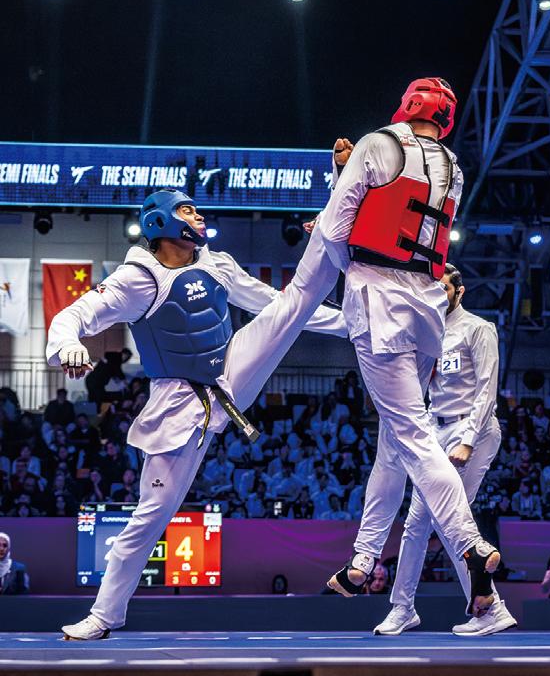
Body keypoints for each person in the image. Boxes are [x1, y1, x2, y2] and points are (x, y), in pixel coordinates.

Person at [46, 187, 346, 639]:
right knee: (151, 516)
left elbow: (271, 302)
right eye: (187, 210)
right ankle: (104, 616)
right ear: (161, 223)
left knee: (289, 306)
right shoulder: (138, 279)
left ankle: (333, 237)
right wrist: (67, 345)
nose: (199, 216)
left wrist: (349, 326)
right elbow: (72, 316)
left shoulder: (217, 263)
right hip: (177, 401)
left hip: (229, 372)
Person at [318, 78, 501, 619]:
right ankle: (363, 559)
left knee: (412, 439)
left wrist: (347, 255)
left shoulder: (378, 143)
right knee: (393, 443)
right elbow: (403, 215)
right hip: (424, 303)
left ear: (407, 105)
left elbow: (336, 226)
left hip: (380, 300)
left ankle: (470, 543)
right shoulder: (453, 166)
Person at [373, 264, 516, 637]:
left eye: (445, 289)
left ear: (459, 292)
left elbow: (487, 388)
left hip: (473, 430)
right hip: (434, 430)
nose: (438, 294)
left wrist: (468, 439)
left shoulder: (478, 329)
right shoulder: (427, 333)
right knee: (416, 522)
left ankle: (491, 609)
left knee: (447, 519)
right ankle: (402, 608)